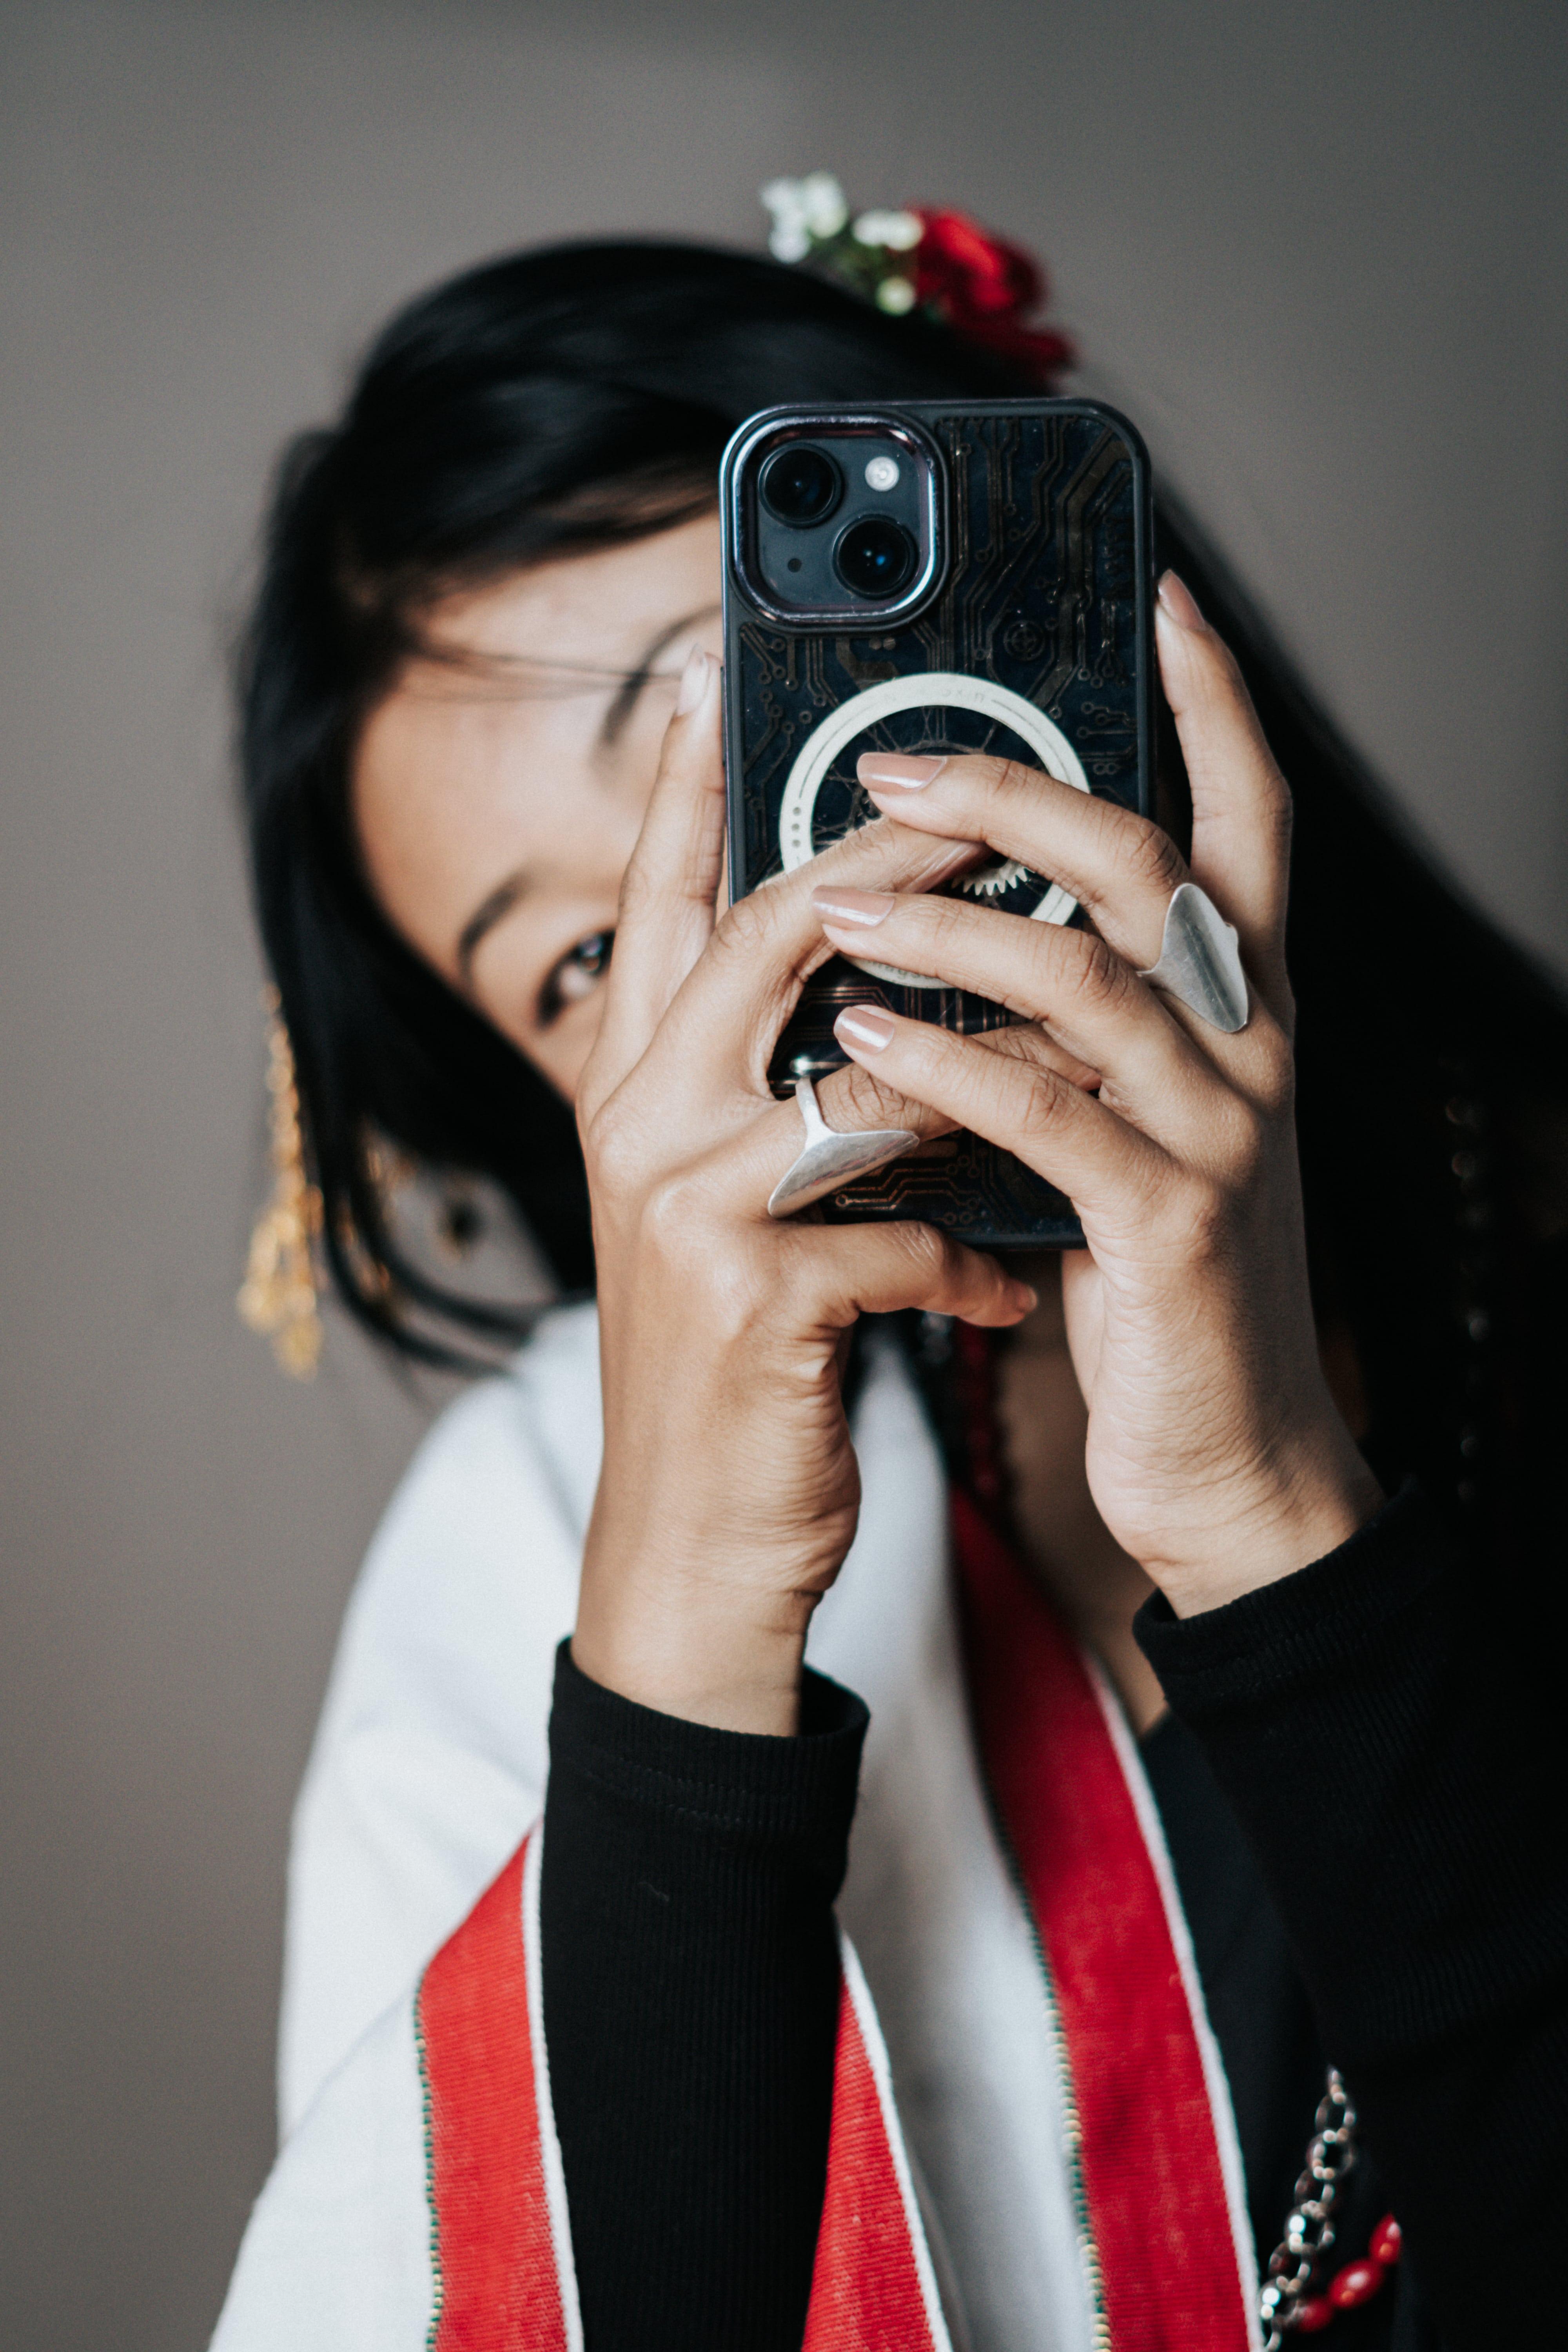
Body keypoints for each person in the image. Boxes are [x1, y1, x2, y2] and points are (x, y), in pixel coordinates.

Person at [212, 224, 1568, 2352]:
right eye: (582, 960)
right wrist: (683, 1624)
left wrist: (1263, 1516)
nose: (729, 941)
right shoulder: (527, 1538)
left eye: (739, 728)